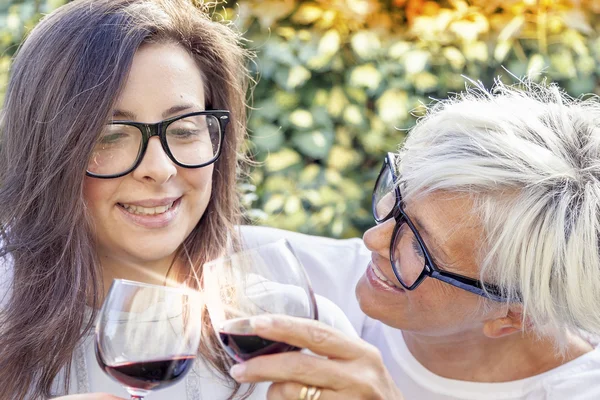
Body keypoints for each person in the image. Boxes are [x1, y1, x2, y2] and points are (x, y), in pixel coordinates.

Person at [0, 0, 368, 399]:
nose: (158, 169)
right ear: (44, 153)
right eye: (110, 134)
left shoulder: (302, 337)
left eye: (185, 128)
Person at [229, 80, 600, 400]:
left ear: (514, 318)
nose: (373, 239)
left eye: (419, 246)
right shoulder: (284, 271)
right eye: (400, 195)